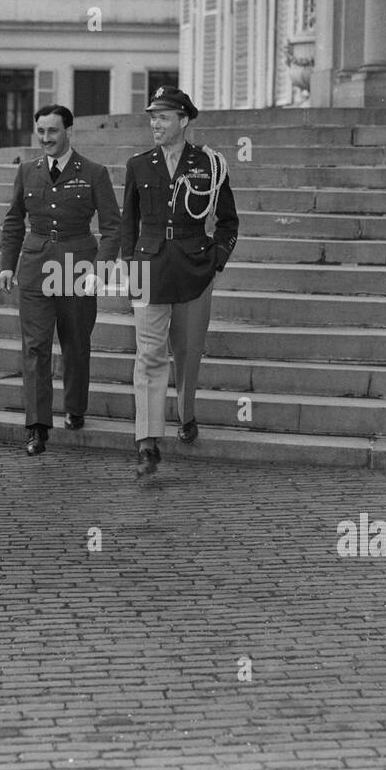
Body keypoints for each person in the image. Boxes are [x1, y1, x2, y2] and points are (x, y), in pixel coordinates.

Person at [119, 86, 238, 477]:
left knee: (188, 352)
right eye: (153, 116)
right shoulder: (138, 165)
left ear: (183, 120)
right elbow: (128, 223)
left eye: (163, 117)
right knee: (148, 355)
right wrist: (128, 266)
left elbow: (228, 221)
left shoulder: (208, 164)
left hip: (193, 268)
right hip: (149, 268)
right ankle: (148, 441)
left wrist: (216, 259)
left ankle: (186, 416)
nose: (155, 123)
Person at [0, 105, 121, 455]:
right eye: (41, 131)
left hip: (77, 269)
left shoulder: (94, 173)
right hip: (35, 269)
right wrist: (8, 265)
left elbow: (113, 226)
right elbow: (13, 220)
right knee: (35, 347)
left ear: (69, 131)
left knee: (76, 343)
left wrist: (101, 267)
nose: (46, 138)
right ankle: (37, 426)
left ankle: (75, 407)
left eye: (53, 131)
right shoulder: (27, 171)